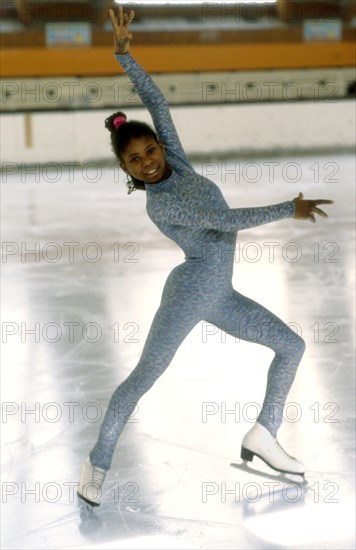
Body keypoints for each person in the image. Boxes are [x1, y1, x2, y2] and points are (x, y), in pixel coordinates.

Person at [77, 5, 334, 506]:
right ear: (127, 171)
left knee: (291, 345)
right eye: (136, 161)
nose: (148, 162)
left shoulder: (177, 160)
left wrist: (123, 54)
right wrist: (291, 207)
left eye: (149, 150)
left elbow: (156, 100)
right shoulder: (165, 202)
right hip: (191, 294)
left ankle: (264, 433)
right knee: (141, 381)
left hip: (220, 294)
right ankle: (97, 463)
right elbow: (227, 222)